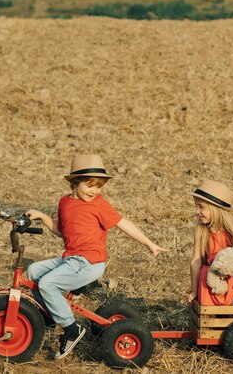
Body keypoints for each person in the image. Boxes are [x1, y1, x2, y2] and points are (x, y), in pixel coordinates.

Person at [25, 154, 167, 360]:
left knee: (47, 284)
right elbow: (63, 231)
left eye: (99, 186)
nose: (95, 191)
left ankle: (72, 331)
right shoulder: (65, 202)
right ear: (75, 182)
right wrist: (43, 217)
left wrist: (149, 243)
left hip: (89, 262)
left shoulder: (99, 204)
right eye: (90, 185)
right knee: (33, 271)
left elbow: (123, 223)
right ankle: (49, 316)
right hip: (71, 258)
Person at [186, 179, 233, 306]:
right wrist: (194, 289)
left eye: (201, 207)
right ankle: (210, 316)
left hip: (231, 272)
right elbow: (196, 261)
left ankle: (230, 312)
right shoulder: (201, 230)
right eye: (196, 206)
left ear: (216, 209)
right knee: (205, 273)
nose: (197, 211)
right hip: (211, 275)